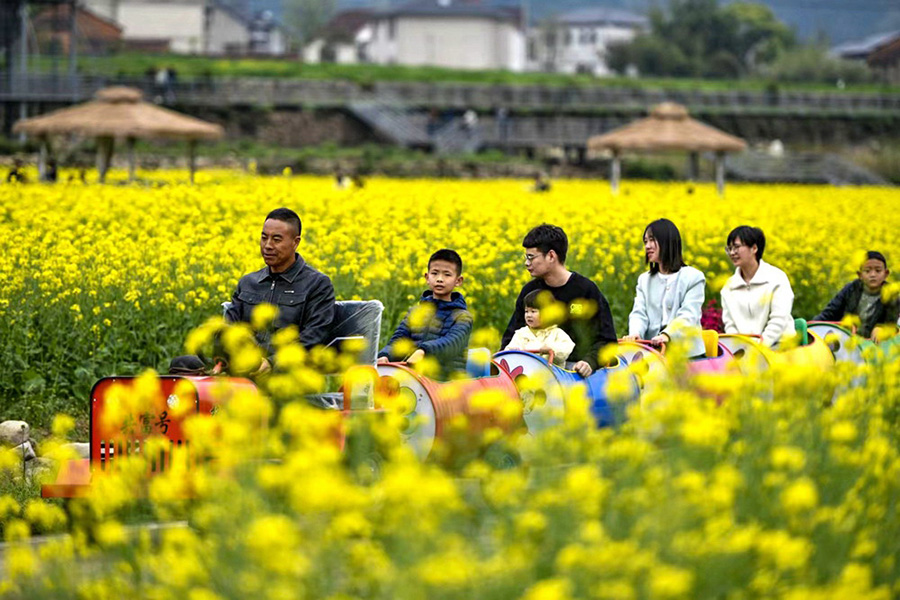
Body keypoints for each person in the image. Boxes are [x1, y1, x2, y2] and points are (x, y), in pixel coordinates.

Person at [223, 208, 335, 372]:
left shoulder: (317, 284)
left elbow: (314, 337)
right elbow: (229, 327)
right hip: (242, 368)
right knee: (185, 365)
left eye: (276, 239)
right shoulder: (248, 282)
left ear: (295, 242)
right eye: (264, 238)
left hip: (287, 374)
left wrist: (272, 363)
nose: (267, 246)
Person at [501, 224, 617, 376]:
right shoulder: (529, 292)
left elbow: (607, 340)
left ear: (551, 256)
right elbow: (511, 336)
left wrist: (590, 362)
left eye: (531, 257)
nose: (526, 263)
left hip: (575, 373)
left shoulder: (585, 290)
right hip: (532, 372)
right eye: (526, 257)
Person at [377, 249, 473, 379]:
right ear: (427, 278)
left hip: (447, 381)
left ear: (458, 281)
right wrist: (385, 355)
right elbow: (399, 340)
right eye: (435, 273)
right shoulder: (415, 312)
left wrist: (423, 351)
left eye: (447, 275)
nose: (440, 279)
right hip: (415, 378)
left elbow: (451, 344)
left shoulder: (463, 317)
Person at [623, 219, 706, 356]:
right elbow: (639, 313)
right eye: (645, 242)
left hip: (688, 355)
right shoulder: (645, 280)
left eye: (651, 240)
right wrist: (635, 333)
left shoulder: (694, 277)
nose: (647, 246)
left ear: (668, 242)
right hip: (654, 354)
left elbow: (688, 315)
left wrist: (667, 335)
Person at [720, 225, 795, 347]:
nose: (732, 253)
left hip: (779, 346)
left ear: (754, 248)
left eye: (737, 247)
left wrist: (760, 347)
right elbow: (730, 325)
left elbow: (778, 320)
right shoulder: (728, 288)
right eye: (729, 248)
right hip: (745, 351)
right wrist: (739, 348)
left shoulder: (777, 278)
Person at [813, 251, 899, 339]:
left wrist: (881, 328)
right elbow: (830, 313)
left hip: (876, 344)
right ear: (860, 275)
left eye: (878, 271)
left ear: (886, 273)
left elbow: (892, 322)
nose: (873, 275)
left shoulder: (891, 294)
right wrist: (811, 326)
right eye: (867, 271)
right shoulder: (850, 289)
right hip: (847, 340)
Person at [503, 289, 575, 367]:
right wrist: (513, 352)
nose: (529, 315)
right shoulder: (521, 333)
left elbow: (566, 348)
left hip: (551, 374)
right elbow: (507, 352)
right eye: (526, 311)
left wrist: (552, 349)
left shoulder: (557, 333)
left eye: (533, 311)